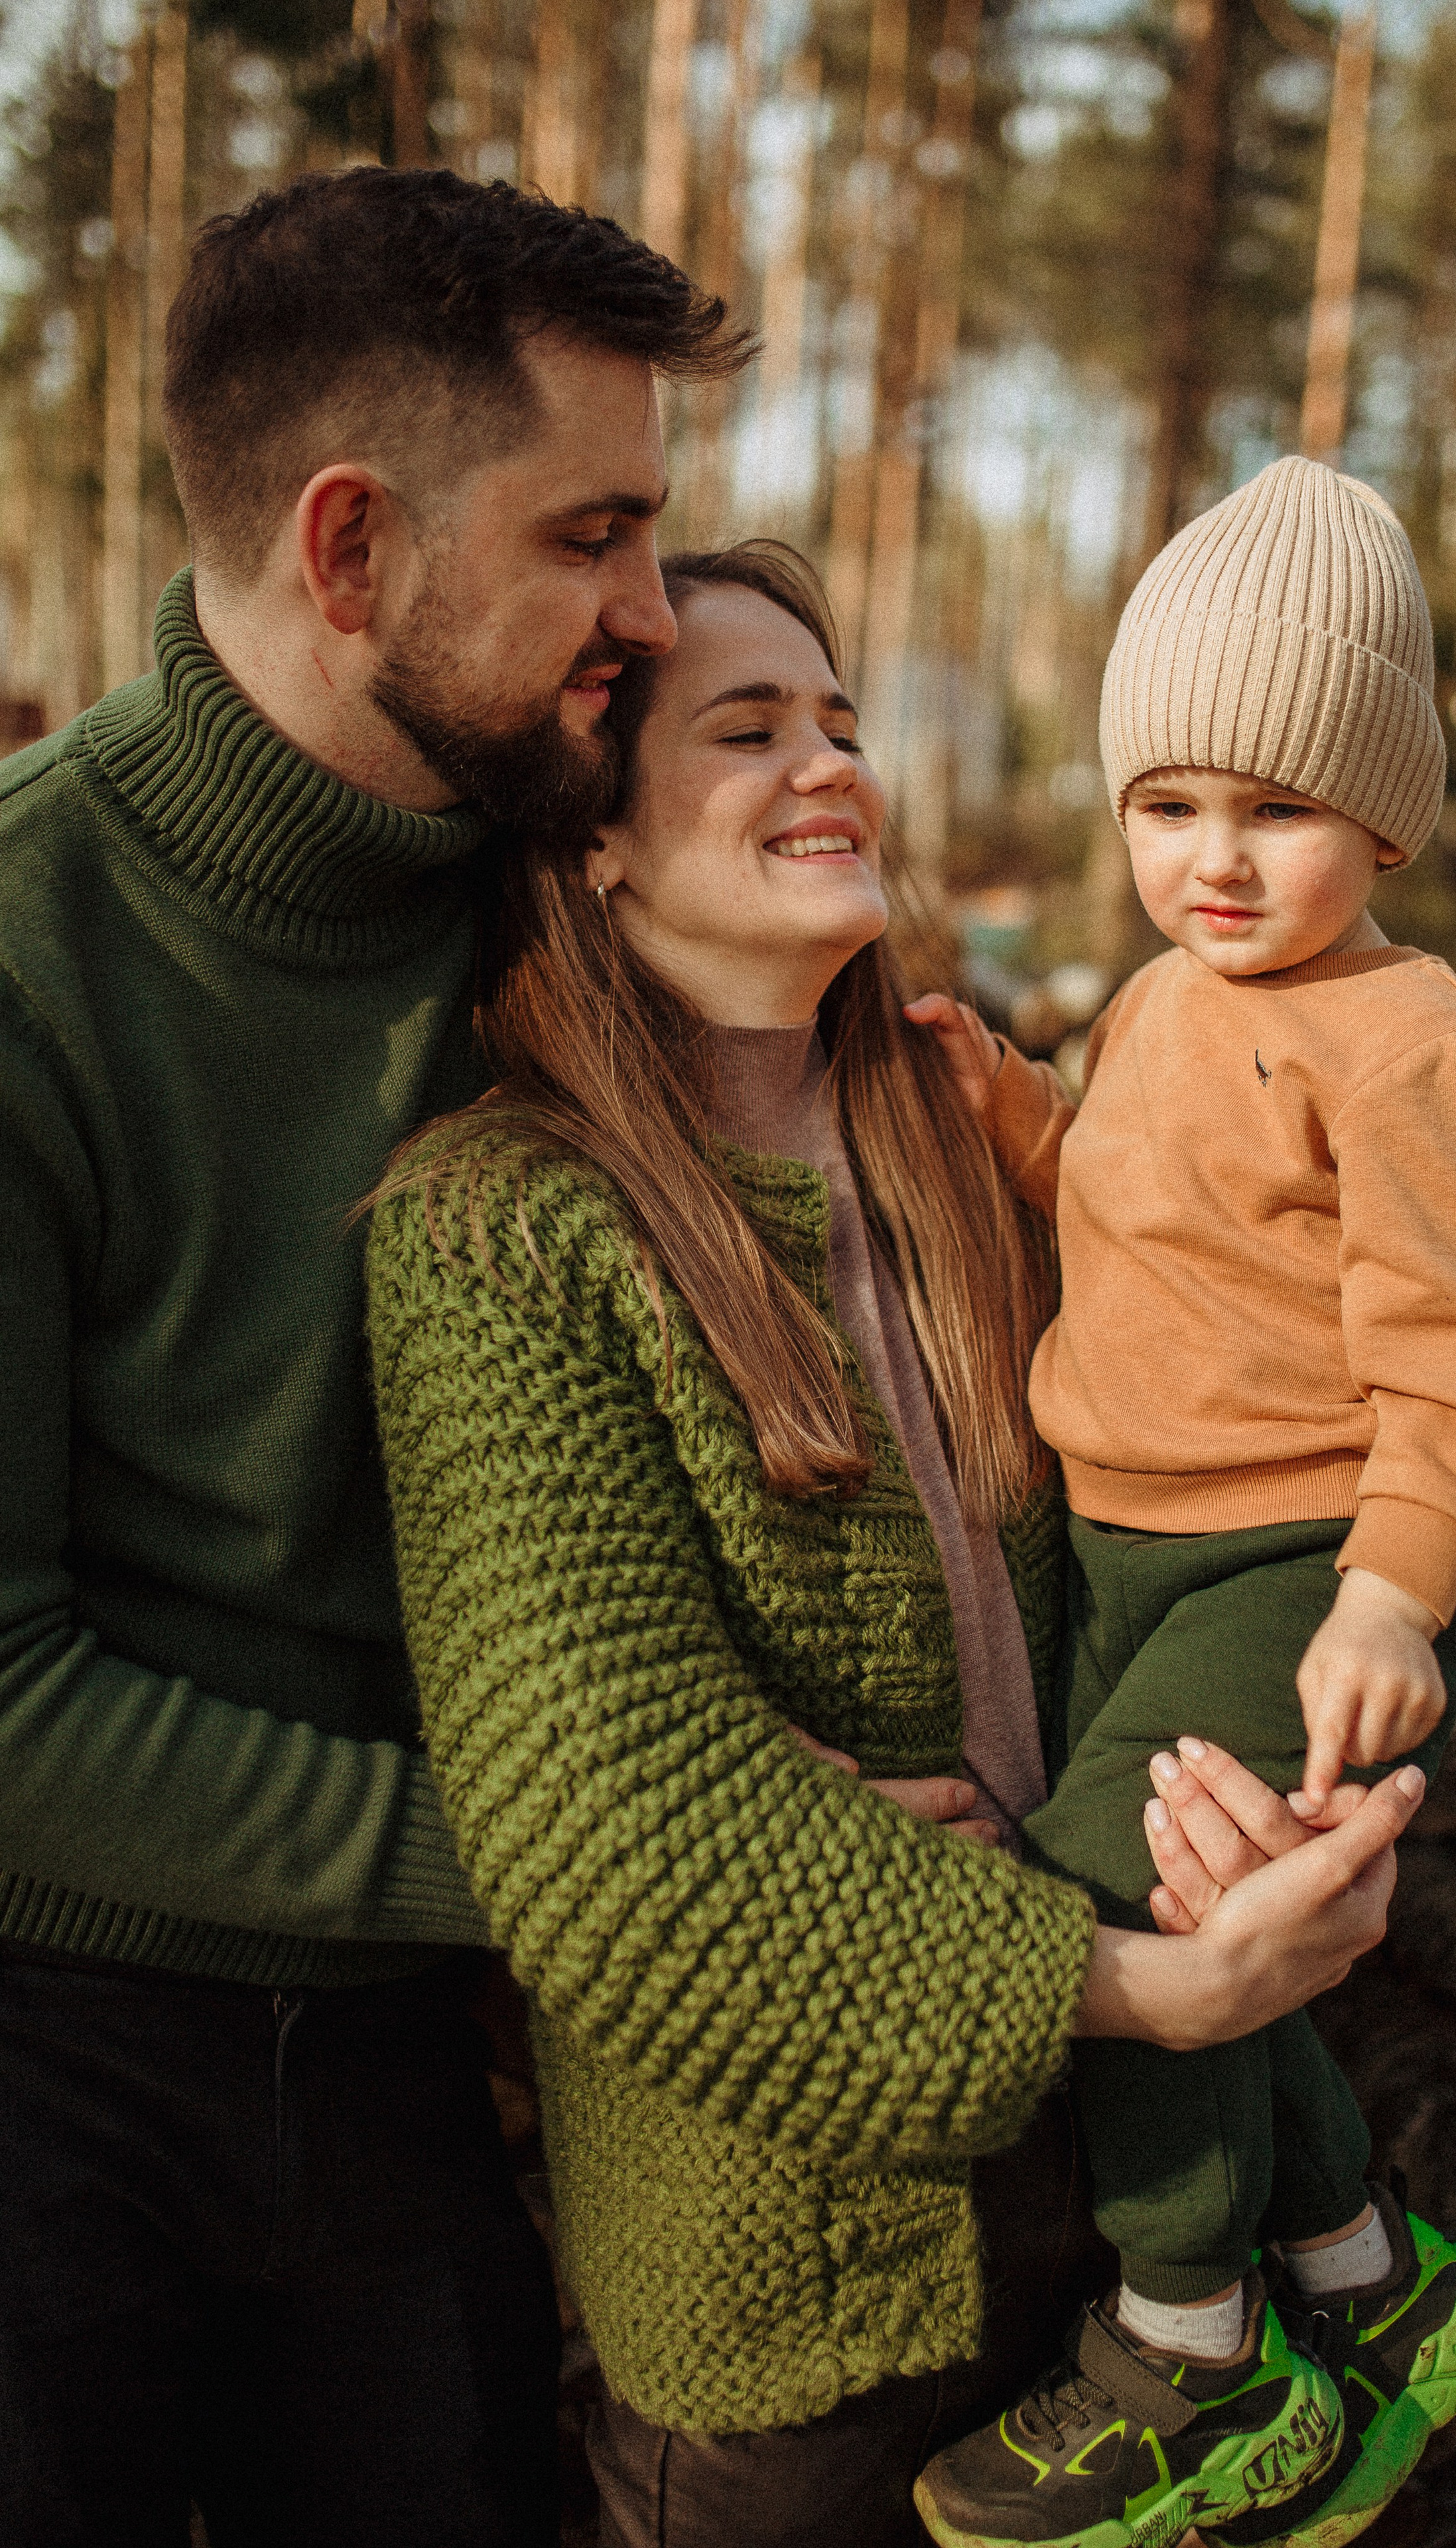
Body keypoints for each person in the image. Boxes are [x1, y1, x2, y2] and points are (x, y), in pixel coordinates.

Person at [365, 537, 1432, 2548]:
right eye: (749, 729)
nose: (830, 762)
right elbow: (620, 1830)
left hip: (1115, 2250)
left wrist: (1297, 1806)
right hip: (795, 2301)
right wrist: (1147, 1986)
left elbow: (1299, 1468)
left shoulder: (995, 1155)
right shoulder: (498, 1232)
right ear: (592, 850)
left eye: (844, 720)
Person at [0, 166, 751, 2548]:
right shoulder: (24, 960)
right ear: (350, 550)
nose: (649, 609)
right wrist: (616, 1870)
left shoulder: (590, 893)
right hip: (53, 2064)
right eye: (593, 535)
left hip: (442, 2052)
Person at [907, 457, 1456, 2548]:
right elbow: (1130, 1193)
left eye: (1274, 808)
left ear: (1380, 810)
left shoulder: (1406, 1036)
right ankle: (1370, 2280)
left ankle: (1191, 2352)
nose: (1217, 860)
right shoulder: (1167, 998)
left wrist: (1389, 1595)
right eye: (1167, 807)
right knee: (1234, 1935)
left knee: (1120, 1911)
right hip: (1130, 1551)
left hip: (1306, 1559)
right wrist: (1011, 1113)